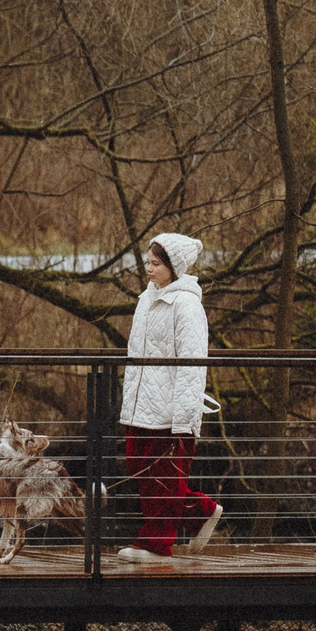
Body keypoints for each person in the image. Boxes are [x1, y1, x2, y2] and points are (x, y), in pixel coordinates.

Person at [116, 232, 223, 562]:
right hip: (140, 405)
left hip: (170, 408)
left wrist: (184, 418)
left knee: (163, 477)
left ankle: (156, 544)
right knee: (138, 467)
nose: (148, 268)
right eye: (147, 261)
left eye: (156, 263)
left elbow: (193, 365)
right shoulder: (145, 299)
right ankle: (199, 511)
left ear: (174, 267)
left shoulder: (187, 306)